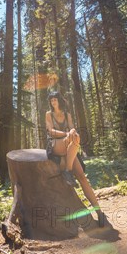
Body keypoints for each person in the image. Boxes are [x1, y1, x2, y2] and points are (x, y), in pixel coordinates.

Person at [46, 90, 105, 227]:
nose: (53, 101)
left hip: (69, 148)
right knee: (71, 137)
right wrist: (67, 133)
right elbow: (51, 131)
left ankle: (99, 212)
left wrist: (71, 132)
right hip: (55, 145)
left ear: (59, 100)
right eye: (51, 100)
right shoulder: (49, 114)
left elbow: (73, 129)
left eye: (55, 99)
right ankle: (68, 170)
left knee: (83, 179)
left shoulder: (67, 115)